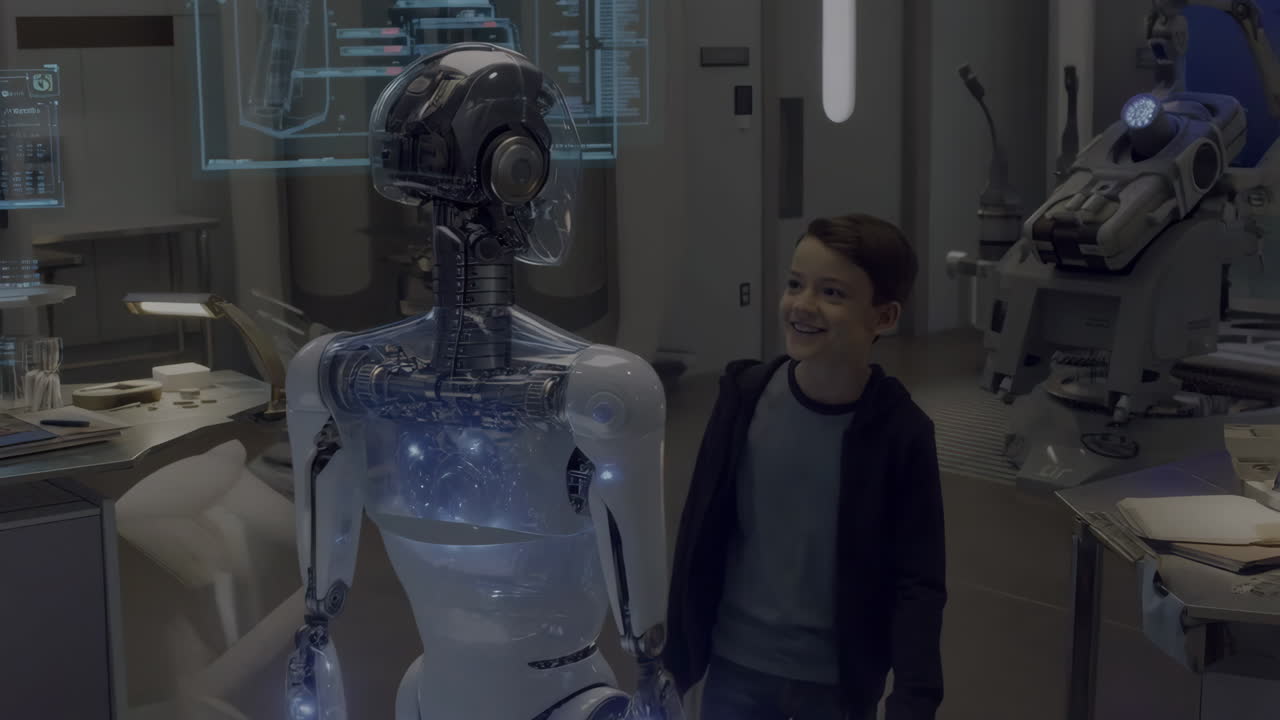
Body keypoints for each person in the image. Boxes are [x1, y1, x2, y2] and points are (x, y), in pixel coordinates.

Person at [663, 213, 946, 720]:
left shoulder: (901, 433)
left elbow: (918, 581)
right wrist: (676, 656)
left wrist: (914, 699)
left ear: (883, 317)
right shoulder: (743, 398)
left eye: (833, 293)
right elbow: (699, 529)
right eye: (795, 284)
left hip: (836, 684)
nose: (802, 305)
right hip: (736, 664)